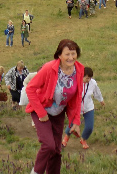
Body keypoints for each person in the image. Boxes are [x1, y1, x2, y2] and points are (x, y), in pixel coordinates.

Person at [26, 39, 85, 174]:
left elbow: (77, 97)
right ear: (59, 55)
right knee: (49, 146)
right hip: (41, 110)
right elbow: (30, 89)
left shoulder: (79, 70)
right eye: (67, 54)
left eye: (73, 53)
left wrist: (76, 121)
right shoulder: (49, 68)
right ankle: (36, 172)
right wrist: (41, 113)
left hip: (58, 113)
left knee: (56, 151)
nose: (71, 57)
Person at [62, 66, 105, 149]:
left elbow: (97, 92)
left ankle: (83, 139)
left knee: (89, 127)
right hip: (75, 108)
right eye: (87, 78)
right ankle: (66, 138)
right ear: (82, 75)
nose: (88, 80)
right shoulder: (74, 82)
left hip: (88, 107)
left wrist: (101, 100)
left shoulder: (93, 83)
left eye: (90, 78)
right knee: (72, 124)